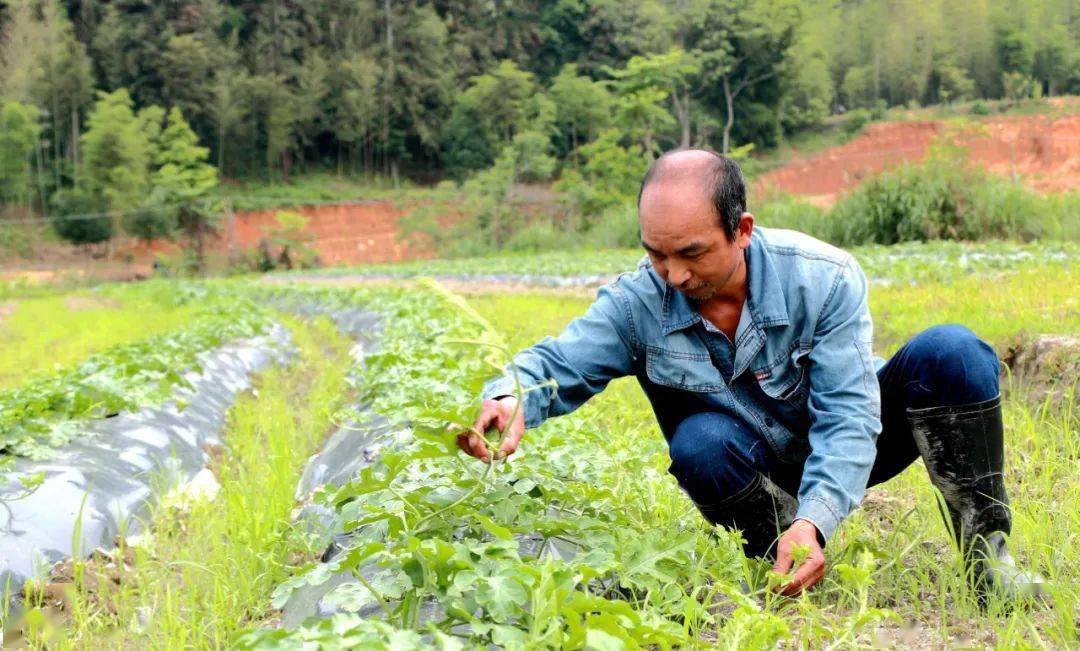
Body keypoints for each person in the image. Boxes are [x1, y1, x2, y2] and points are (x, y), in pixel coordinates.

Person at [458, 148, 1048, 603]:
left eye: (691, 253)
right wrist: (509, 399)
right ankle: (782, 554)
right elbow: (556, 365)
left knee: (953, 352)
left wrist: (818, 517)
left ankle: (987, 557)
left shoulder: (823, 278)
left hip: (848, 441)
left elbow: (848, 417)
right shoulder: (637, 302)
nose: (673, 274)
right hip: (746, 464)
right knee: (699, 445)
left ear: (741, 230)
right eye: (656, 254)